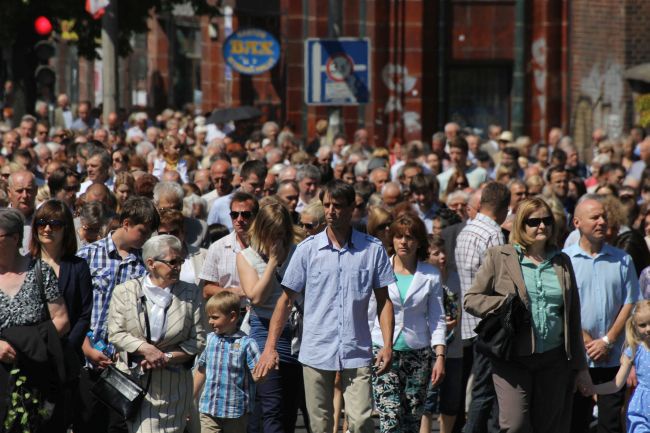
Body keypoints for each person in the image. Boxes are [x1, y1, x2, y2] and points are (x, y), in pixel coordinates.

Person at [254, 180, 396, 433]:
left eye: (338, 205)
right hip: (316, 349)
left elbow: (384, 301)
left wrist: (387, 345)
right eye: (327, 205)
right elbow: (285, 300)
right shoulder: (307, 250)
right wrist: (270, 348)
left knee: (361, 421)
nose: (331, 211)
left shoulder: (372, 249)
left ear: (352, 208)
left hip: (357, 348)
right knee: (319, 425)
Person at [464, 198, 592, 432]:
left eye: (546, 221)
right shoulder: (499, 256)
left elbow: (572, 317)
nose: (541, 226)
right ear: (521, 225)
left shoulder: (562, 262)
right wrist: (504, 305)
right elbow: (470, 299)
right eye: (533, 222)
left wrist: (581, 368)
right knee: (515, 425)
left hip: (554, 360)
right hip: (512, 358)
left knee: (549, 426)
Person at [75, 196, 159, 433]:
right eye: (142, 231)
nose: (146, 238)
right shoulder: (89, 255)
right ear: (126, 223)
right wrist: (87, 347)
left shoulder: (144, 264)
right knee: (87, 421)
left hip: (123, 363)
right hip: (88, 353)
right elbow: (74, 307)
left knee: (119, 426)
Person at [107, 234, 206, 433]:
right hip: (135, 385)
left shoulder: (191, 293)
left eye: (181, 261)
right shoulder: (125, 291)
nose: (178, 266)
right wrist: (145, 349)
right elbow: (116, 333)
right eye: (172, 262)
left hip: (174, 388)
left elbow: (199, 340)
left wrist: (164, 357)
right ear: (151, 263)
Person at [565, 195, 641, 433]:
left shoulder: (622, 260)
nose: (601, 222)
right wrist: (588, 342)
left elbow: (630, 303)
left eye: (604, 217)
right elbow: (562, 306)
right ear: (577, 222)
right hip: (578, 358)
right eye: (594, 217)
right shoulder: (564, 260)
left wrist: (607, 340)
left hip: (612, 359)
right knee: (577, 421)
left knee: (609, 424)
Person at [367, 213, 447, 433]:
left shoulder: (430, 275)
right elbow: (370, 313)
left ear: (419, 241)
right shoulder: (380, 269)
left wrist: (439, 355)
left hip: (418, 353)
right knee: (390, 419)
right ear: (391, 239)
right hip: (383, 351)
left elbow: (437, 318)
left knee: (412, 421)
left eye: (410, 237)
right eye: (399, 236)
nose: (404, 242)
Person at [237, 200, 304, 433]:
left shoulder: (298, 251)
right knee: (270, 404)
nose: (277, 240)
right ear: (261, 230)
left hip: (295, 333)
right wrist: (273, 261)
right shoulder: (246, 256)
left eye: (281, 234)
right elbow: (256, 298)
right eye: (271, 233)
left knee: (288, 409)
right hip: (263, 331)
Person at [0, 208, 70, 428]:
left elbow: (62, 320)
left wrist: (25, 345)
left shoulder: (39, 270)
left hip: (36, 372)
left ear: (14, 238)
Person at [29, 200, 93, 432]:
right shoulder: (25, 265)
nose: (47, 229)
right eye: (42, 223)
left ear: (66, 228)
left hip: (67, 357)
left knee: (63, 420)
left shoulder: (78, 267)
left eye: (55, 224)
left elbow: (85, 313)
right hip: (31, 356)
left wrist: (64, 347)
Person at [456, 181, 511, 433]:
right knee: (485, 391)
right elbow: (500, 282)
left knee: (482, 387)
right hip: (489, 324)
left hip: (470, 321)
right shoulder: (493, 234)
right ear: (504, 207)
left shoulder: (467, 230)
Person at [193, 292, 261, 433]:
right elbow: (201, 370)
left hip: (236, 411)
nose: (210, 321)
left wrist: (264, 369)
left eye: (215, 317)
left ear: (232, 317)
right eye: (209, 317)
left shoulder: (247, 343)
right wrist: (190, 398)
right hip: (209, 408)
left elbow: (257, 375)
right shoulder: (210, 340)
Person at [587, 299, 650, 433]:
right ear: (634, 326)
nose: (648, 329)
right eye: (643, 325)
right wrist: (594, 389)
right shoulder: (634, 351)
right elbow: (616, 384)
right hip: (641, 409)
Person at [421, 235, 462, 433]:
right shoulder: (424, 277)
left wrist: (456, 321)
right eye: (436, 253)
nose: (443, 256)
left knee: (451, 401)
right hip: (429, 349)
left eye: (443, 251)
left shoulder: (455, 277)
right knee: (427, 402)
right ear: (427, 256)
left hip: (454, 349)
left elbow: (462, 306)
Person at [157, 209, 207, 286]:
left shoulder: (204, 255)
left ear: (183, 232)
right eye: (163, 234)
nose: (169, 237)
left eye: (174, 233)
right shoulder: (153, 258)